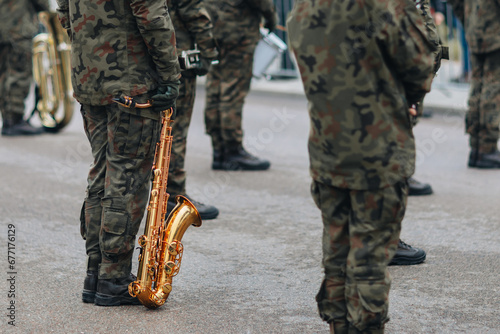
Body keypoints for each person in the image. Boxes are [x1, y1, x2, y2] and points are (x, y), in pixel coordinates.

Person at [287, 0, 436, 332]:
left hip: (327, 150)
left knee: (337, 258)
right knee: (369, 261)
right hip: (378, 153)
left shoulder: (302, 8)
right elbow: (422, 64)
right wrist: (406, 97)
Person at [56, 0, 181, 306]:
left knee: (102, 173)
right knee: (125, 175)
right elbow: (151, 16)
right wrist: (170, 75)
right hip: (131, 82)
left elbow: (63, 11)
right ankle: (112, 278)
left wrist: (90, 49)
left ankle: (95, 273)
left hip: (90, 79)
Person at [203, 0, 278, 171]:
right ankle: (233, 150)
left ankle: (219, 150)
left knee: (215, 86)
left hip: (211, 26)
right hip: (238, 29)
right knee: (233, 88)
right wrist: (271, 19)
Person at [165, 0, 220, 220]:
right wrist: (208, 51)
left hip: (134, 57)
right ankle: (172, 196)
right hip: (175, 56)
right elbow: (193, 11)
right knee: (174, 131)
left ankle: (141, 198)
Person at [447, 0, 500, 168]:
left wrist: (468, 19)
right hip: (495, 31)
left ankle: (477, 147)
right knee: (492, 90)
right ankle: (486, 148)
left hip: (475, 30)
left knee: (478, 87)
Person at [0, 0, 48, 136]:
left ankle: (8, 119)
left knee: (4, 73)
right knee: (18, 72)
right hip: (16, 26)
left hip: (4, 25)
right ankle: (14, 120)